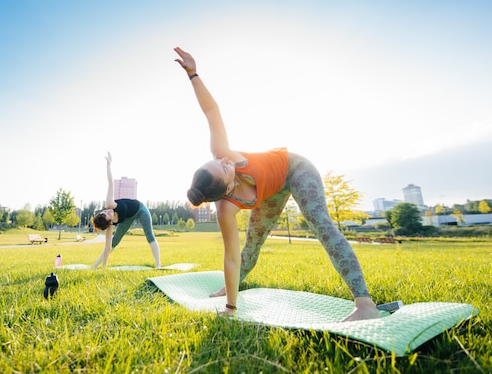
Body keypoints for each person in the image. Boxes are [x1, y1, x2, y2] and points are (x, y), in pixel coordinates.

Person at [173, 47, 380, 322]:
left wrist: (193, 74)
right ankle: (230, 288)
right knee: (252, 244)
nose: (223, 158)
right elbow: (232, 257)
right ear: (225, 189)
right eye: (222, 166)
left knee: (319, 222)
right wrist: (231, 308)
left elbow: (211, 110)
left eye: (219, 160)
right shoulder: (225, 210)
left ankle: (365, 303)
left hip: (295, 168)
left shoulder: (222, 151)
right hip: (270, 194)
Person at [91, 152, 162, 269]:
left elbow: (110, 183)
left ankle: (158, 264)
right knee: (114, 242)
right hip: (127, 219)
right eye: (107, 214)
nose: (108, 211)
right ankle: (95, 266)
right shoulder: (109, 227)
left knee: (149, 235)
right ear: (109, 222)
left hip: (140, 209)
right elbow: (108, 247)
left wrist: (108, 166)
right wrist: (103, 267)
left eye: (105, 211)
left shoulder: (109, 203)